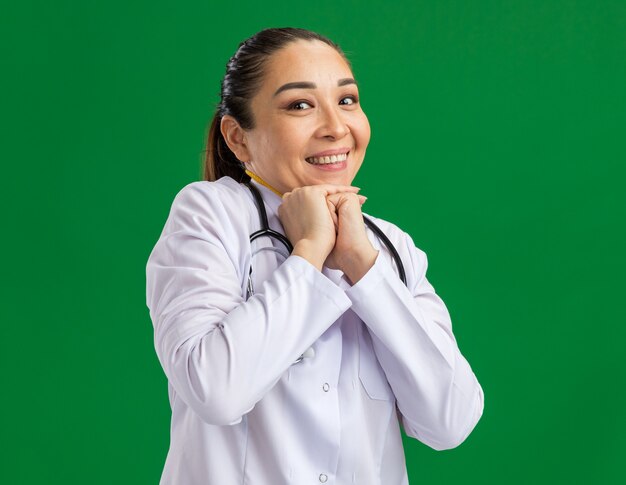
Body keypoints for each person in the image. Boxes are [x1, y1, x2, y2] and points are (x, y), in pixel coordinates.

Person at [145, 27, 484, 485]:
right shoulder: (209, 214)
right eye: (300, 105)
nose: (335, 127)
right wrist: (308, 254)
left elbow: (450, 421)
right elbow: (216, 390)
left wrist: (366, 271)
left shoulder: (389, 248)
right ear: (237, 137)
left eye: (347, 100)